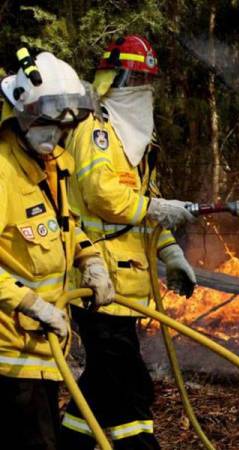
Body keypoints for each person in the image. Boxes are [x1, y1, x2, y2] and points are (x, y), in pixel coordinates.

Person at [60, 35, 197, 450]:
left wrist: (171, 254)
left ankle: (72, 441)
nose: (142, 88)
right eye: (134, 78)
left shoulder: (135, 143)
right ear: (112, 79)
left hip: (127, 288)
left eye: (147, 79)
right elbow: (106, 195)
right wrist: (157, 208)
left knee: (105, 382)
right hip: (96, 282)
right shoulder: (94, 130)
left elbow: (145, 211)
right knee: (129, 382)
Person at [0, 49, 114, 450]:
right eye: (48, 125)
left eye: (63, 128)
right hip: (9, 356)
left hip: (45, 351)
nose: (56, 136)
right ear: (23, 116)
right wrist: (31, 303)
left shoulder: (52, 166)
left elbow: (64, 226)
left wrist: (90, 257)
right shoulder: (2, 173)